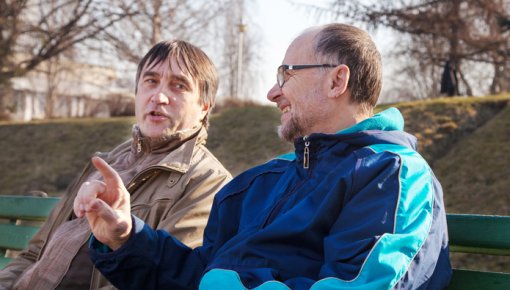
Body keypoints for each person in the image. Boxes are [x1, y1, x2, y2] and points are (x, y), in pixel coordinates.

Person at [76, 23, 452, 289]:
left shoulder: (391, 175)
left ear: (337, 81)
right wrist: (125, 236)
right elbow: (197, 276)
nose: (273, 92)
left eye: (286, 74)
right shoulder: (258, 184)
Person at [0, 40, 232, 290]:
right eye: (151, 81)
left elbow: (164, 278)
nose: (159, 97)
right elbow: (34, 253)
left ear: (204, 107)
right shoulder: (105, 163)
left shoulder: (209, 182)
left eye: (179, 85)